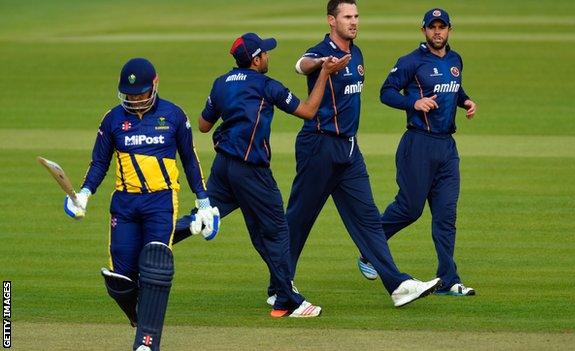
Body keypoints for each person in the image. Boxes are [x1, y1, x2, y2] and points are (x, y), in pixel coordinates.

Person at [173, 32, 349, 317]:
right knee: (278, 231)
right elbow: (308, 110)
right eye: (265, 53)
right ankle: (288, 300)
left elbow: (204, 125)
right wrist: (325, 74)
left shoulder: (221, 83)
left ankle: (149, 243)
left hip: (223, 168)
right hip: (251, 171)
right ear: (256, 60)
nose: (268, 56)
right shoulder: (267, 86)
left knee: (203, 219)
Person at [279, 0, 441, 308]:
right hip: (319, 145)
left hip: (349, 150)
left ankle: (397, 285)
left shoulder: (358, 53)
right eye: (347, 17)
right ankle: (279, 286)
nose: (354, 22)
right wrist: (322, 64)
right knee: (299, 220)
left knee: (368, 219)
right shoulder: (321, 51)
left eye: (356, 16)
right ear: (331, 21)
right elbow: (300, 65)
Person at [63, 57, 220, 351]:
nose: (135, 99)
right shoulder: (112, 120)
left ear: (155, 84)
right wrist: (84, 193)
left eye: (140, 93)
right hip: (124, 204)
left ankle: (147, 342)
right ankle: (140, 316)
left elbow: (189, 160)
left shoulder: (173, 116)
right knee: (120, 279)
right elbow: (99, 162)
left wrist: (204, 200)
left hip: (161, 200)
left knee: (154, 268)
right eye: (130, 94)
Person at [361, 8, 477, 296]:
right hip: (417, 145)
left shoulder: (455, 60)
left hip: (447, 148)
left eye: (442, 27)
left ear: (449, 30)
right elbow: (386, 92)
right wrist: (414, 103)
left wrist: (466, 101)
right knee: (409, 209)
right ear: (423, 30)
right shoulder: (411, 62)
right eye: (432, 27)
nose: (437, 32)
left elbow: (454, 88)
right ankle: (368, 250)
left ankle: (448, 280)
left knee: (446, 215)